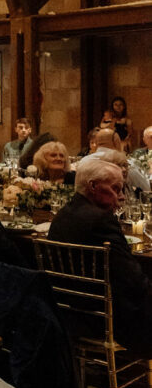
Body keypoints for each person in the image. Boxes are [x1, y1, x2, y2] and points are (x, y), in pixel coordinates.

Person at [49, 158, 152, 356]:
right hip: (107, 320)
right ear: (93, 186)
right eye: (115, 189)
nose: (121, 197)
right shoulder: (101, 221)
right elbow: (133, 280)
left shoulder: (63, 214)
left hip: (70, 313)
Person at [90, 128, 150, 194]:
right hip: (119, 202)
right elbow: (146, 188)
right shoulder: (125, 163)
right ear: (116, 141)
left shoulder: (84, 162)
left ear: (96, 143)